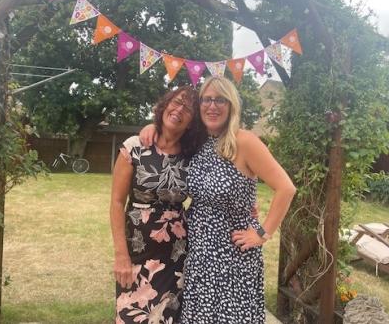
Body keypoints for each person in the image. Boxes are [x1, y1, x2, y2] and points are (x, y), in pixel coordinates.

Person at [140, 76, 296, 324]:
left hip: (232, 257)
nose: (212, 106)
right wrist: (152, 127)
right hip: (199, 253)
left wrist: (261, 233)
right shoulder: (199, 141)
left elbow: (286, 188)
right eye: (207, 100)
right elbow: (170, 130)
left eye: (220, 100)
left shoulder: (244, 141)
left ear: (231, 105)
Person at [110, 86, 204, 324]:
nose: (179, 110)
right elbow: (117, 202)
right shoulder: (135, 147)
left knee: (169, 317)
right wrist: (121, 255)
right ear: (165, 105)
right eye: (176, 102)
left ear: (193, 122)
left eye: (188, 108)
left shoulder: (192, 155)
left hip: (178, 256)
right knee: (131, 315)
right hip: (138, 252)